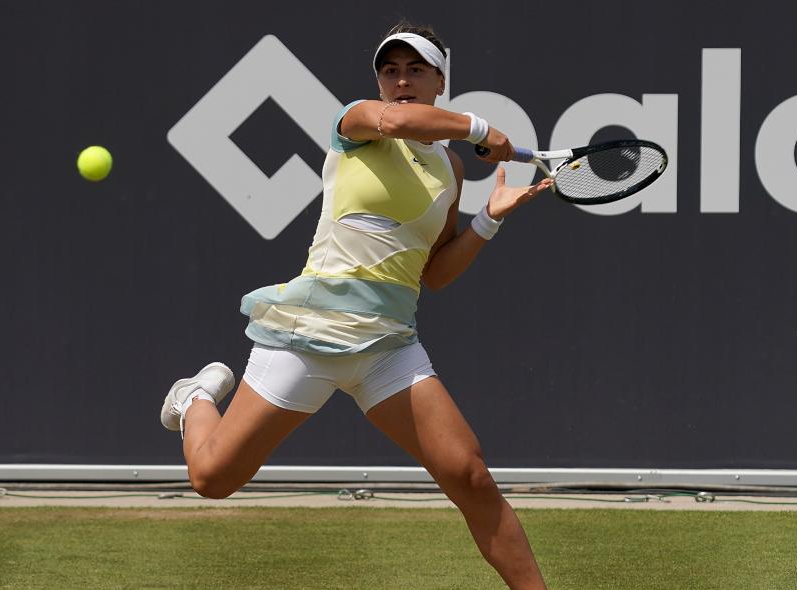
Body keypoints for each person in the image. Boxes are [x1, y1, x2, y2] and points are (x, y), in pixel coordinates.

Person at [160, 23, 551, 590]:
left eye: (416, 69)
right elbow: (396, 121)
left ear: (441, 79)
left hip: (389, 346)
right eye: (390, 70)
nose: (400, 81)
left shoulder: (451, 168)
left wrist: (488, 220)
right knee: (213, 479)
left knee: (469, 476)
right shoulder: (360, 121)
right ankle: (195, 397)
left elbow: (434, 273)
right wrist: (482, 127)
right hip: (308, 332)